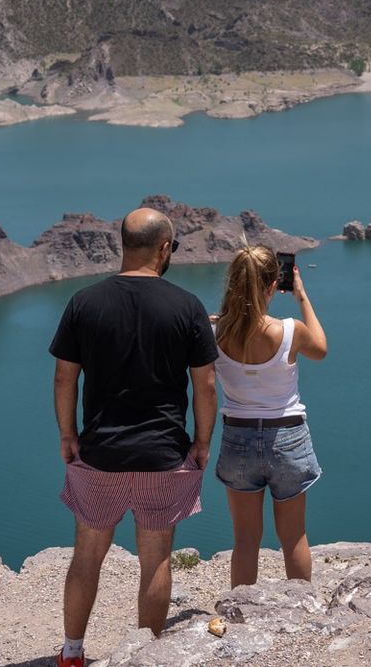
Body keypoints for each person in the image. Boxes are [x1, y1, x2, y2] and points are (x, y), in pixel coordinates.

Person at [48, 207, 218, 667]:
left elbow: (66, 378)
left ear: (122, 246)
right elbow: (204, 384)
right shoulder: (187, 306)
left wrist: (67, 434)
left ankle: (72, 653)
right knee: (156, 556)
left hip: (99, 453)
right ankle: (144, 656)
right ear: (164, 249)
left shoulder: (85, 301)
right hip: (164, 455)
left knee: (87, 555)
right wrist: (202, 442)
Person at [212, 245, 327, 588]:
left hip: (238, 440)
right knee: (293, 537)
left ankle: (239, 612)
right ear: (272, 286)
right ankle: (302, 609)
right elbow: (320, 349)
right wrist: (302, 296)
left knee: (246, 539)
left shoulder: (214, 333)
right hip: (288, 437)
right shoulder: (290, 331)